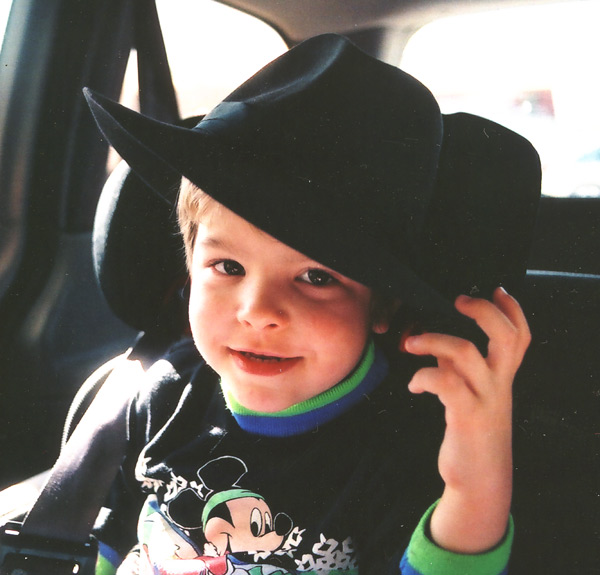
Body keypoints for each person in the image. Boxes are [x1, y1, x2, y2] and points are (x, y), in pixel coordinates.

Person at [84, 33, 537, 575]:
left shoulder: (399, 437)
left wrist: (476, 475)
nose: (258, 310)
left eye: (316, 276)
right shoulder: (159, 394)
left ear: (382, 307)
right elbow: (102, 547)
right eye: (228, 267)